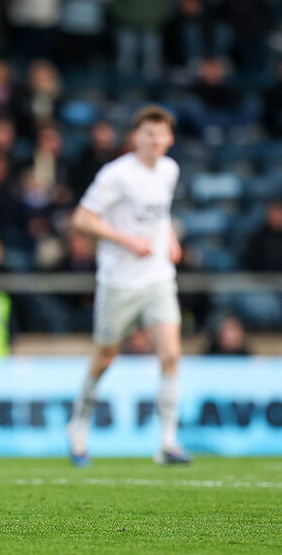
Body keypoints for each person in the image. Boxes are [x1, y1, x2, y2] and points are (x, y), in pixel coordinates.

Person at [65, 105, 190, 467]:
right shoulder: (117, 174)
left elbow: (161, 212)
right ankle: (78, 428)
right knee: (105, 358)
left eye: (161, 134)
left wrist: (170, 238)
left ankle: (167, 442)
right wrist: (127, 240)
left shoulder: (169, 170)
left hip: (158, 277)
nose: (155, 140)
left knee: (171, 354)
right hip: (119, 282)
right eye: (148, 133)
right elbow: (82, 218)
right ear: (136, 137)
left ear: (170, 138)